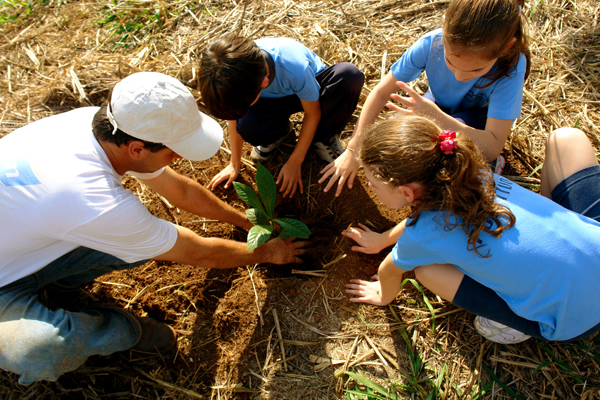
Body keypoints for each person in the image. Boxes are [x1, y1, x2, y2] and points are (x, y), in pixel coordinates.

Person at [0, 72, 306, 384]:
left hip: (22, 247)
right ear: (136, 149)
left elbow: (181, 191)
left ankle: (56, 287)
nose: (177, 158)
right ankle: (126, 331)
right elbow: (196, 252)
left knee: (137, 238)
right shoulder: (93, 199)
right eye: (173, 151)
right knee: (39, 349)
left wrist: (245, 220)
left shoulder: (93, 126)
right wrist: (268, 252)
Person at [343, 115, 600, 344]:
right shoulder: (472, 173)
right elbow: (422, 217)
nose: (372, 189)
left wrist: (382, 295)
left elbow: (389, 271)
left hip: (572, 321)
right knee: (566, 138)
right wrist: (385, 239)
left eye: (374, 185)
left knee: (426, 270)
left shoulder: (421, 234)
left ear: (407, 192)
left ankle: (521, 318)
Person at [320, 0, 531, 196]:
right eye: (450, 62)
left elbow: (493, 146)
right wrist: (353, 149)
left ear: (506, 47)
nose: (459, 76)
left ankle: (489, 169)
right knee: (394, 141)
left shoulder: (511, 67)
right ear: (445, 26)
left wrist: (434, 116)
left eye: (476, 70)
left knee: (446, 156)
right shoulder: (432, 43)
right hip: (437, 106)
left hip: (478, 125)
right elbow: (381, 92)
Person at [199, 35, 364, 198]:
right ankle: (280, 132)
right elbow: (233, 116)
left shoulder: (294, 67)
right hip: (271, 100)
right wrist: (234, 164)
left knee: (349, 76)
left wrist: (295, 161)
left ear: (263, 83)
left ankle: (323, 137)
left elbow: (312, 113)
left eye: (243, 107)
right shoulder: (234, 76)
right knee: (248, 126)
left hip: (313, 89)